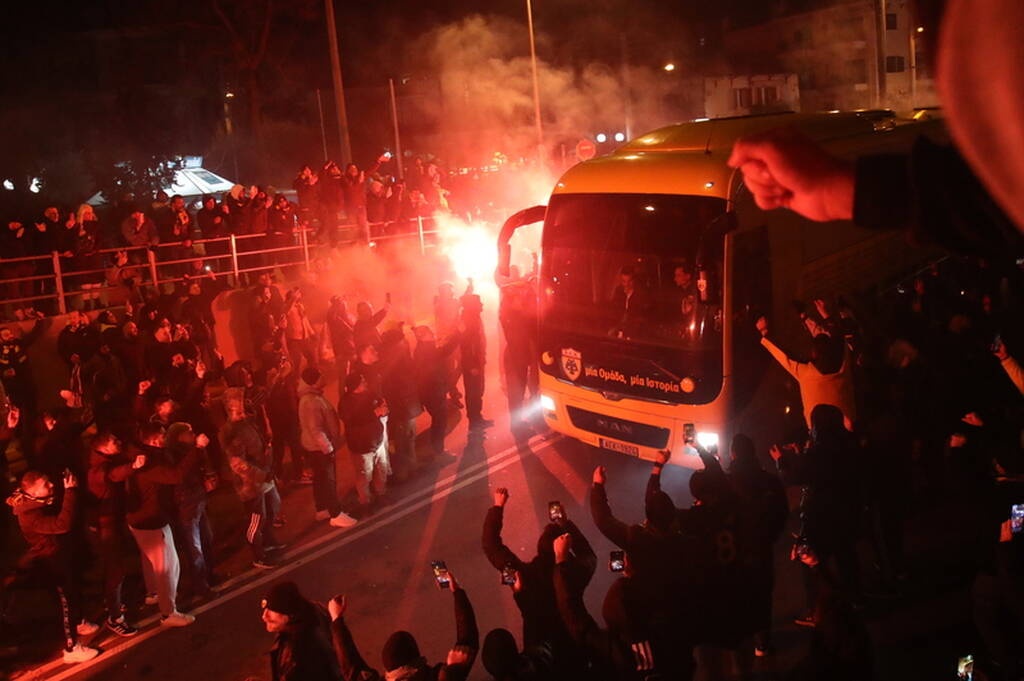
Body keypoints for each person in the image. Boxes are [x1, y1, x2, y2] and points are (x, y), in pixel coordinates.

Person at [481, 487, 594, 674]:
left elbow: (490, 545)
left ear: (540, 547)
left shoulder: (524, 578)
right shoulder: (574, 574)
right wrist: (565, 525)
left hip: (546, 659)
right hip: (576, 651)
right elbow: (589, 556)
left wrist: (498, 506)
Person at [5, 469, 101, 664]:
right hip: (51, 562)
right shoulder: (30, 514)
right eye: (45, 485)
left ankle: (80, 622)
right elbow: (62, 524)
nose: (51, 486)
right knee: (65, 604)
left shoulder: (39, 501)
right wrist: (71, 492)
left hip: (57, 555)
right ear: (32, 491)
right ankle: (71, 648)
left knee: (73, 593)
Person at [333, 568, 479, 681]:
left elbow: (351, 668)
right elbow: (468, 641)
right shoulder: (442, 676)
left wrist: (336, 621)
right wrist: (457, 592)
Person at [126, 422, 198, 625]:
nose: (166, 437)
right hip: (152, 520)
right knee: (168, 566)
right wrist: (196, 450)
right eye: (163, 434)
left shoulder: (141, 456)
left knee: (150, 561)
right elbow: (175, 476)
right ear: (154, 439)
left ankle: (153, 593)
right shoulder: (150, 462)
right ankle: (168, 613)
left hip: (139, 519)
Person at [85, 431, 143, 637]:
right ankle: (115, 617)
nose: (118, 441)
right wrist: (133, 467)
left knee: (114, 568)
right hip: (106, 527)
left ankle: (113, 603)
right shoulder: (99, 469)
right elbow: (113, 475)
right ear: (103, 447)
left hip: (109, 524)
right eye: (113, 441)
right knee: (115, 570)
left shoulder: (102, 460)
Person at [756, 314, 856, 431]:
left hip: (821, 437)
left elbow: (784, 355)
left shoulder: (806, 373)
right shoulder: (844, 363)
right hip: (850, 432)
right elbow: (839, 339)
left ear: (814, 354)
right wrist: (827, 316)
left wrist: (765, 333)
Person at [220, 391, 285, 569]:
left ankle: (268, 542)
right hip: (251, 484)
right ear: (229, 411)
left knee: (273, 508)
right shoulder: (231, 433)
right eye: (239, 411)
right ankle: (258, 554)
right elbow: (238, 464)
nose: (243, 414)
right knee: (256, 519)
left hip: (264, 476)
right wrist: (262, 475)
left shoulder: (246, 424)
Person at [297, 367, 358, 528]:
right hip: (320, 448)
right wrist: (328, 448)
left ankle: (322, 509)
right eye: (321, 376)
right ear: (314, 381)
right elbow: (315, 429)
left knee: (320, 480)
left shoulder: (311, 397)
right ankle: (336, 514)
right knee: (328, 481)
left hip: (315, 447)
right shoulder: (311, 401)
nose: (324, 377)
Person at [260, 581, 342, 681]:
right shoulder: (291, 629)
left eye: (272, 610)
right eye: (265, 609)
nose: (264, 616)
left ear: (289, 615)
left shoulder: (302, 656)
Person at [413, 325, 461, 462]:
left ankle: (436, 449)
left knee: (439, 419)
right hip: (433, 392)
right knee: (440, 420)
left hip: (431, 392)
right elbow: (445, 351)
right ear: (423, 337)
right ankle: (438, 452)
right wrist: (458, 333)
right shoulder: (427, 350)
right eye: (429, 333)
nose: (432, 334)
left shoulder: (422, 349)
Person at [459, 289, 492, 430]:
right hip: (472, 364)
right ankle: (474, 420)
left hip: (477, 361)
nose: (482, 304)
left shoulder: (473, 317)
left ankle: (477, 417)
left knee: (478, 391)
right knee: (473, 392)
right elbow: (466, 345)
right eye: (479, 303)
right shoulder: (468, 319)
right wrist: (472, 364)